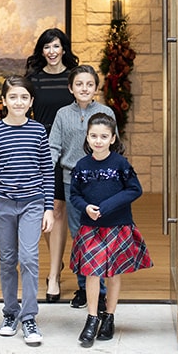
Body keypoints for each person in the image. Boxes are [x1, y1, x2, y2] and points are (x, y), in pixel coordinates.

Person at [0, 76, 54, 346]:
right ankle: (10, 313)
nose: (18, 102)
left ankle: (30, 317)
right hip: (3, 205)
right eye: (13, 97)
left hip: (33, 203)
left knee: (29, 258)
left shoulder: (37, 131)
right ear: (4, 101)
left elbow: (47, 170)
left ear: (31, 101)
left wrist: (48, 208)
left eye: (24, 97)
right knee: (8, 260)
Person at [68, 112, 152, 347]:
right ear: (87, 137)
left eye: (103, 136)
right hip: (91, 227)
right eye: (93, 136)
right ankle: (92, 318)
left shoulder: (120, 164)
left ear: (112, 138)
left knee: (113, 274)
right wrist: (86, 208)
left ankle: (109, 317)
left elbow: (135, 190)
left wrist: (106, 206)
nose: (98, 140)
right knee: (92, 272)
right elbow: (74, 195)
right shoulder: (81, 166)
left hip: (117, 226)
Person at [49, 64, 113, 311]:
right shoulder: (63, 114)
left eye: (89, 84)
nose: (84, 88)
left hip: (100, 182)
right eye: (79, 84)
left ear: (96, 87)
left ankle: (101, 291)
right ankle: (85, 288)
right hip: (71, 181)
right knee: (80, 236)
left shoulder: (106, 112)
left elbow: (113, 145)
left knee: (100, 234)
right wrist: (45, 170)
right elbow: (54, 146)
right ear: (70, 88)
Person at [24, 28, 80, 303]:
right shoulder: (33, 79)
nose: (52, 51)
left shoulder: (74, 76)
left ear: (63, 48)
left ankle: (56, 271)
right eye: (47, 47)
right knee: (50, 208)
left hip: (70, 147)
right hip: (41, 147)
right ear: (42, 51)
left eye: (56, 46)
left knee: (63, 210)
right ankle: (55, 266)